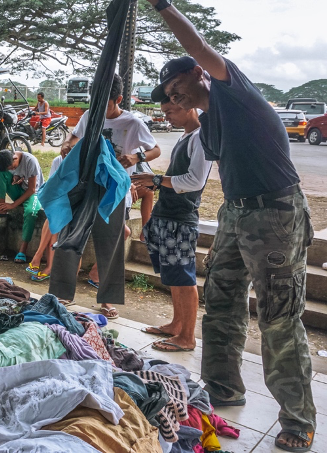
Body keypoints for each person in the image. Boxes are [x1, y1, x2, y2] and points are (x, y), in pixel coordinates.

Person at [146, 1, 315, 451]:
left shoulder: (230, 88)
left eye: (178, 85)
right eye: (168, 92)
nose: (173, 96)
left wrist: (162, 7)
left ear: (199, 75)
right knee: (221, 301)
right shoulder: (207, 127)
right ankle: (223, 388)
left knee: (279, 317)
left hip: (275, 212)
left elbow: (197, 45)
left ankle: (298, 419)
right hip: (237, 213)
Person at [53, 73, 160, 319]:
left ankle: (107, 300)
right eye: (96, 102)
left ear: (119, 99)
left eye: (106, 103)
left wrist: (136, 157)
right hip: (85, 186)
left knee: (110, 244)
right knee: (69, 235)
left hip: (114, 191)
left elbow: (155, 149)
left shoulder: (132, 123)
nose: (99, 108)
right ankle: (63, 294)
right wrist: (68, 143)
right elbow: (74, 136)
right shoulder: (91, 115)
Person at [132, 98, 211, 353]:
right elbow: (177, 177)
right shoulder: (185, 136)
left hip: (181, 220)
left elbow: (195, 180)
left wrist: (156, 178)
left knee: (184, 278)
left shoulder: (201, 137)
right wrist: (153, 183)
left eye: (170, 111)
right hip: (168, 216)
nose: (166, 117)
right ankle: (177, 325)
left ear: (189, 106)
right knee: (174, 277)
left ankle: (187, 336)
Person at [0, 149, 44, 264]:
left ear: (15, 158)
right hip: (19, 190)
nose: (12, 170)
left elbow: (32, 189)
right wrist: (17, 178)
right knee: (0, 173)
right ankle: (1, 208)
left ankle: (23, 250)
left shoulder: (30, 161)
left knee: (30, 212)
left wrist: (13, 205)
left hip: (34, 194)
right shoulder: (8, 160)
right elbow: (12, 174)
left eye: (12, 167)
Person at [27, 154, 63, 281]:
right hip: (61, 200)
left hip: (76, 201)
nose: (66, 153)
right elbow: (52, 185)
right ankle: (48, 265)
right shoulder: (58, 160)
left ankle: (39, 256)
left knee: (55, 218)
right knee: (53, 218)